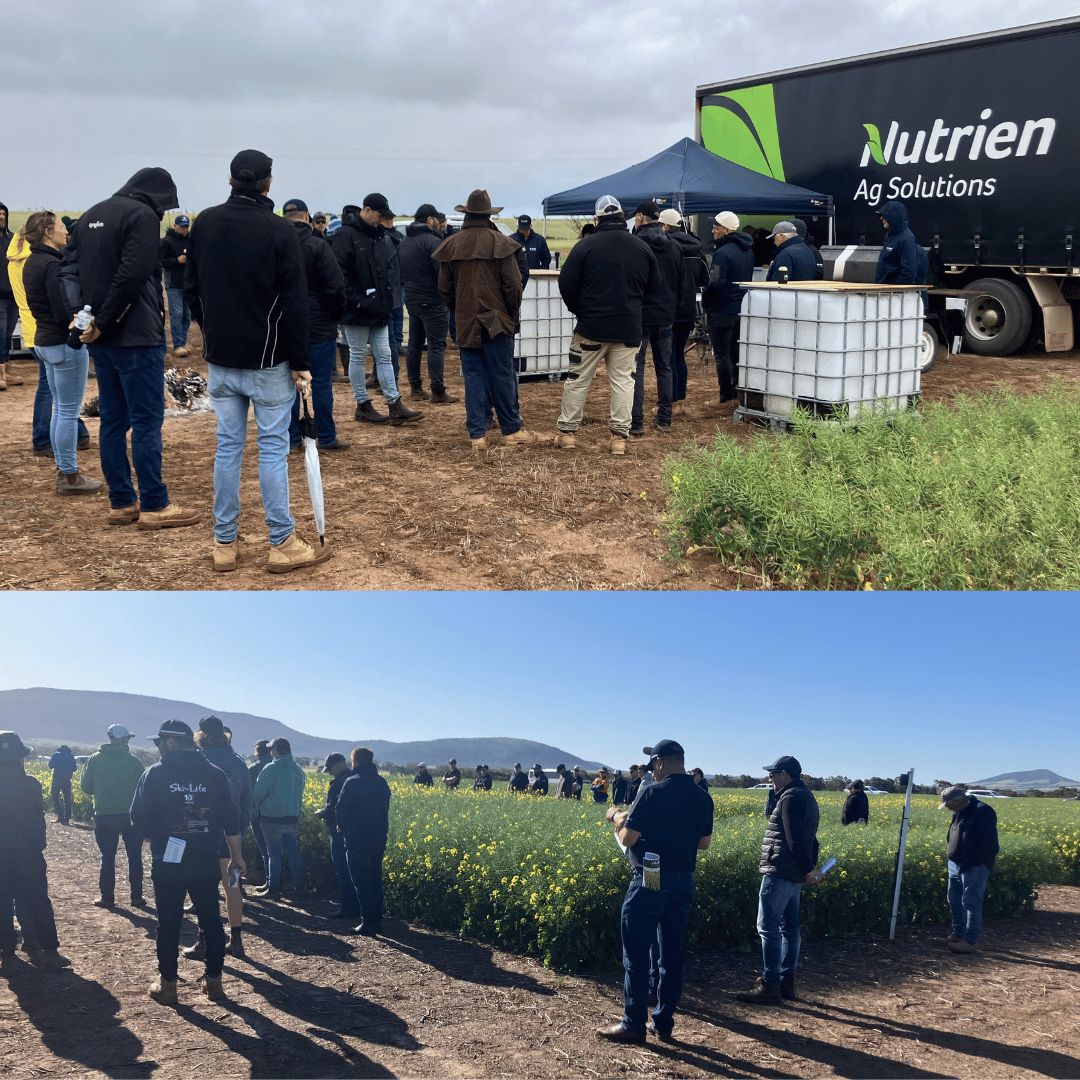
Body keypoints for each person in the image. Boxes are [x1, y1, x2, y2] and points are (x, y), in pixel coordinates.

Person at [185, 151, 327, 575]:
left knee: (228, 447)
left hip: (223, 358)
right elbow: (295, 302)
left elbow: (191, 287)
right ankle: (281, 540)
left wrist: (210, 330)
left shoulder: (205, 223)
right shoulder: (280, 231)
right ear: (268, 183)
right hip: (268, 361)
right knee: (270, 448)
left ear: (231, 179)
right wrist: (300, 361)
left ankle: (223, 542)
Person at [59, 167, 200, 530]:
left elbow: (68, 270)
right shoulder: (139, 216)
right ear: (156, 197)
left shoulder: (92, 213)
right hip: (136, 337)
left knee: (113, 420)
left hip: (100, 339)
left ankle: (121, 502)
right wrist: (105, 319)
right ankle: (155, 504)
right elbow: (133, 275)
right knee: (146, 421)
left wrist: (83, 317)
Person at [597, 739, 713, 1044]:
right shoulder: (703, 797)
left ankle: (633, 1023)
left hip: (651, 879)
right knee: (671, 955)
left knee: (636, 953)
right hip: (683, 880)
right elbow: (704, 843)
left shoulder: (652, 791)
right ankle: (663, 1023)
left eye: (654, 765)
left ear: (660, 762)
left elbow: (630, 837)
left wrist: (616, 819)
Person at [130, 720, 243, 1004]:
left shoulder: (154, 774)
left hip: (168, 858)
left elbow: (137, 817)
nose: (157, 749)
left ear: (169, 742)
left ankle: (168, 985)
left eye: (158, 743)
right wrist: (236, 856)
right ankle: (214, 982)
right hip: (206, 856)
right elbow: (232, 819)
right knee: (210, 920)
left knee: (168, 923)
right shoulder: (215, 774)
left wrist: (158, 839)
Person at [553, 195, 659, 457]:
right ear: (623, 217)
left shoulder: (585, 247)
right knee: (624, 382)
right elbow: (654, 288)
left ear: (597, 219)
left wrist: (580, 310)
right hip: (628, 328)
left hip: (591, 327)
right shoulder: (642, 248)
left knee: (578, 379)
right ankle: (619, 438)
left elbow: (566, 283)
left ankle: (567, 433)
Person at [433, 189, 538, 450]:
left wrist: (460, 309)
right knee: (502, 375)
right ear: (488, 214)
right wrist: (510, 314)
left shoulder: (452, 245)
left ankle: (477, 435)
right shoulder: (500, 243)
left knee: (473, 377)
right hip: (497, 321)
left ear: (467, 213)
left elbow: (444, 289)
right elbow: (513, 286)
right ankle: (510, 430)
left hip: (466, 320)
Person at [22, 212, 103, 494]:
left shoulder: (32, 262)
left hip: (44, 341)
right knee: (67, 411)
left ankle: (64, 468)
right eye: (59, 227)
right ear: (47, 231)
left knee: (60, 409)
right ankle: (69, 476)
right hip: (63, 344)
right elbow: (61, 309)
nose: (65, 232)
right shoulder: (52, 265)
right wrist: (79, 321)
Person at [736, 755, 825, 1005]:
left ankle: (770, 983)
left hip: (780, 871)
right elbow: (811, 840)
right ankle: (786, 982)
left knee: (768, 927)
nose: (770, 778)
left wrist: (808, 869)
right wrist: (809, 868)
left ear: (785, 774)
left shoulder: (790, 797)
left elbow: (793, 840)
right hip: (794, 873)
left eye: (773, 774)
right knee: (790, 928)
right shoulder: (807, 796)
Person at [333, 194, 422, 426]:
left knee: (384, 354)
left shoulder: (379, 236)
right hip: (356, 311)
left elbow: (385, 272)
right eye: (379, 215)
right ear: (367, 209)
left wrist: (385, 299)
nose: (381, 220)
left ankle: (394, 404)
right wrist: (358, 301)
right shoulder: (345, 235)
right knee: (359, 355)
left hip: (379, 309)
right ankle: (362, 404)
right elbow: (340, 275)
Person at [281, 197, 349, 453]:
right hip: (319, 327)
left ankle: (291, 438)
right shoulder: (318, 246)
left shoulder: (276, 247)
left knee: (287, 385)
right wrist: (336, 316)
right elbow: (336, 287)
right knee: (320, 383)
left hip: (285, 327)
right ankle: (326, 436)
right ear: (307, 217)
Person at [0, 730, 70, 975]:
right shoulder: (31, 784)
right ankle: (49, 950)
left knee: (2, 902)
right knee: (38, 900)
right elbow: (38, 820)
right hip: (28, 851)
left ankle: (7, 953)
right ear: (20, 758)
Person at [184, 715, 252, 960]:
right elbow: (248, 803)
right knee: (233, 887)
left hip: (202, 839)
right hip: (233, 840)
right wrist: (240, 832)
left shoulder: (196, 762)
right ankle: (236, 940)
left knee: (203, 887)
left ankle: (204, 939)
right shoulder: (238, 762)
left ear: (199, 734)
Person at [628, 200, 682, 434]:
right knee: (664, 366)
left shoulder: (634, 245)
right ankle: (665, 419)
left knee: (636, 368)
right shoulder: (674, 246)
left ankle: (636, 422)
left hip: (640, 314)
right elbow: (680, 283)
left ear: (640, 217)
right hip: (665, 314)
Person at [80, 723, 146, 909]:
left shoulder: (94, 759)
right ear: (125, 740)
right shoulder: (134, 762)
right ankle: (136, 897)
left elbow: (85, 787)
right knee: (135, 856)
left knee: (107, 857)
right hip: (130, 816)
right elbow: (143, 790)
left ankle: (107, 898)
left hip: (104, 814)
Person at [399, 204, 457, 404]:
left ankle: (416, 388)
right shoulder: (433, 242)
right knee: (436, 345)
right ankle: (438, 391)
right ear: (430, 219)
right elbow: (442, 275)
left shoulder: (405, 242)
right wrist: (448, 297)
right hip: (433, 300)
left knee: (414, 344)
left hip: (412, 299)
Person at [335, 747, 391, 937]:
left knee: (361, 882)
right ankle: (377, 921)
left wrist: (342, 827)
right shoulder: (382, 783)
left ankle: (367, 923)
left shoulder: (352, 782)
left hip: (356, 839)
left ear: (355, 761)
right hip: (378, 839)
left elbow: (340, 811)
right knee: (375, 879)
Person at [939, 784, 1000, 954]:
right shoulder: (958, 812)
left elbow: (990, 844)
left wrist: (973, 861)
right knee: (954, 899)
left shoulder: (983, 812)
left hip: (974, 866)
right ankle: (958, 933)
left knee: (971, 902)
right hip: (955, 864)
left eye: (948, 804)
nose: (947, 808)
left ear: (958, 800)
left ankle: (970, 941)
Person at [659, 209, 708, 416]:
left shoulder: (667, 247)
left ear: (666, 226)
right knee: (679, 354)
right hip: (688, 309)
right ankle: (680, 399)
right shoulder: (697, 247)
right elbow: (704, 279)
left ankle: (671, 401)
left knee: (668, 357)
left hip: (669, 308)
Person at [703, 211, 755, 403]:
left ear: (725, 230)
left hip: (722, 309)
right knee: (736, 352)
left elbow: (714, 283)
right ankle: (737, 392)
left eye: (716, 228)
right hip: (741, 308)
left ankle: (725, 395)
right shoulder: (747, 250)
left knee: (722, 354)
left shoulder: (722, 253)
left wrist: (707, 301)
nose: (712, 231)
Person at [251, 736, 306, 898]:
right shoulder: (298, 769)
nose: (270, 751)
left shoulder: (271, 768)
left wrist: (255, 806)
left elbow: (258, 793)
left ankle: (273, 888)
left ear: (276, 750)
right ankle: (300, 887)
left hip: (271, 818)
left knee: (273, 855)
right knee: (293, 854)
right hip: (292, 818)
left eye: (271, 749)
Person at [315, 753, 360, 921]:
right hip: (354, 832)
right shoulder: (354, 779)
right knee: (353, 870)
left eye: (331, 769)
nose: (329, 773)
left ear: (340, 764)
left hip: (338, 832)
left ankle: (348, 908)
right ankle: (357, 906)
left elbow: (334, 809)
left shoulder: (340, 783)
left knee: (343, 870)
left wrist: (322, 813)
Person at [875, 200, 929, 287]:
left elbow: (909, 272)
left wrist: (894, 290)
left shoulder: (906, 239)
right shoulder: (890, 235)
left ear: (894, 217)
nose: (881, 218)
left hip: (895, 295)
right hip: (886, 292)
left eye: (885, 215)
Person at [159, 214, 192, 356]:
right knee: (177, 314)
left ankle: (182, 342)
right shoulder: (166, 242)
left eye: (186, 226)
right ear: (175, 226)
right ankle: (178, 344)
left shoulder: (192, 241)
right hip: (173, 283)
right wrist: (176, 260)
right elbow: (161, 261)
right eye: (182, 226)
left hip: (189, 284)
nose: (184, 229)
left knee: (187, 315)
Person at [0, 201, 24, 392]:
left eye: (3, 214)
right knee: (0, 333)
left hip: (12, 295)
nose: (1, 217)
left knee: (7, 333)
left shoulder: (12, 239)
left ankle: (6, 370)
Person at [380, 211, 406, 369]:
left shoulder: (393, 237)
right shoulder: (389, 237)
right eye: (387, 218)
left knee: (396, 319)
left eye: (391, 219)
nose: (390, 221)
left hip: (396, 284)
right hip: (392, 287)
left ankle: (398, 343)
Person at [248, 740, 272, 884]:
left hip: (258, 813)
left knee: (262, 847)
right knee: (273, 849)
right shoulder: (278, 766)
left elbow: (249, 792)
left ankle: (262, 877)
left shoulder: (254, 768)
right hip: (278, 814)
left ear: (258, 751)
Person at [47, 744, 77, 824]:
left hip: (57, 780)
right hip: (67, 780)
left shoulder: (56, 755)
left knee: (55, 797)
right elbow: (75, 769)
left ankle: (60, 816)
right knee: (67, 800)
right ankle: (67, 819)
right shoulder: (71, 756)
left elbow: (50, 765)